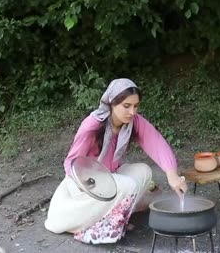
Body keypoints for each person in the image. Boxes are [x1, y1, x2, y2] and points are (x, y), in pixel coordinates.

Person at [44, 78, 188, 244]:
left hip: (110, 176)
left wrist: (172, 175)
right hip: (85, 184)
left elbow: (156, 142)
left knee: (144, 171)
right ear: (112, 103)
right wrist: (89, 183)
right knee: (128, 185)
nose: (132, 112)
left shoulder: (134, 122)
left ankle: (117, 219)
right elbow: (71, 162)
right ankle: (101, 227)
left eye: (135, 106)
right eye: (126, 106)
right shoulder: (93, 124)